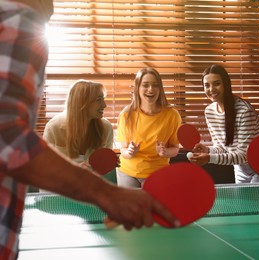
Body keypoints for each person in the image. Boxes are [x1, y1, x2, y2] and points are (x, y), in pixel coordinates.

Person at [0, 1, 177, 258]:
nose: (53, 6)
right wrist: (109, 196)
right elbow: (8, 139)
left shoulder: (107, 127)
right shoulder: (19, 20)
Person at [188, 64, 259, 184]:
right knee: (242, 203)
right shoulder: (209, 111)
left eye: (217, 83)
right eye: (207, 85)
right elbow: (223, 149)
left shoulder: (244, 111)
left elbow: (244, 155)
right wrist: (208, 150)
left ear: (226, 84)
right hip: (239, 167)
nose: (211, 89)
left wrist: (209, 158)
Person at [116, 67, 182, 188]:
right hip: (127, 172)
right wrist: (130, 152)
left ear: (160, 89)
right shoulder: (126, 115)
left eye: (155, 85)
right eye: (145, 85)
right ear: (137, 88)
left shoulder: (172, 115)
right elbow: (123, 151)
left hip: (157, 173)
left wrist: (165, 152)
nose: (151, 89)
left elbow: (175, 148)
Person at [43, 80, 113, 168]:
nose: (104, 105)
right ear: (82, 103)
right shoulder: (53, 127)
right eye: (99, 100)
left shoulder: (106, 128)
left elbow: (104, 163)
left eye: (103, 99)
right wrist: (73, 170)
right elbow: (45, 165)